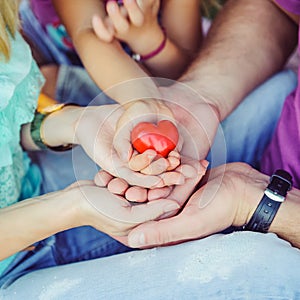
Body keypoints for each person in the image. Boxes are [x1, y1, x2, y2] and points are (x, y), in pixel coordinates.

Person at [0, 0, 206, 293]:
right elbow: (88, 30)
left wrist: (71, 122)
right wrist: (75, 207)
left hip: (32, 186)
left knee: (266, 94)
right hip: (12, 268)